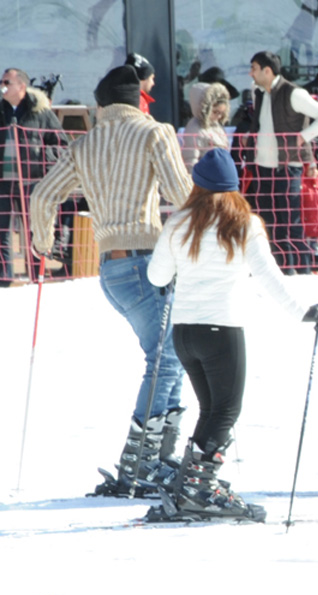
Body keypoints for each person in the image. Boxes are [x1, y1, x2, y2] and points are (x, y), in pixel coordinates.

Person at [30, 64, 193, 497]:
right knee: (166, 358)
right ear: (138, 99)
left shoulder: (85, 145)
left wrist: (43, 243)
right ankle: (141, 463)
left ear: (102, 105)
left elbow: (42, 195)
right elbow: (183, 196)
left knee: (170, 354)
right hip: (147, 262)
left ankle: (156, 457)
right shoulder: (155, 133)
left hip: (111, 269)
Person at [145, 148, 318, 521]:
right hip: (222, 330)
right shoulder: (244, 223)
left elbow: (156, 277)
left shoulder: (179, 222)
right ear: (234, 186)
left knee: (212, 410)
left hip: (185, 333)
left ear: (196, 184)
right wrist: (303, 312)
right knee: (225, 411)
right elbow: (268, 277)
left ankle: (192, 485)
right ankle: (198, 490)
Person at [247, 50, 318, 273]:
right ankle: (281, 272)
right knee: (269, 224)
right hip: (262, 167)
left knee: (291, 223)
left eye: (254, 68)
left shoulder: (293, 93)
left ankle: (302, 271)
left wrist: (303, 136)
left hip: (287, 167)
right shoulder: (258, 92)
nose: (251, 73)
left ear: (267, 71)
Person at [0, 68, 65, 286]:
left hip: (32, 182)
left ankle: (36, 276)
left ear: (21, 86)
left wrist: (44, 159)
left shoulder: (41, 112)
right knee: (2, 232)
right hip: (3, 183)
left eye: (7, 81)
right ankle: (4, 280)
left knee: (33, 230)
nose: (3, 85)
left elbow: (60, 143)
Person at [180, 82, 231, 171]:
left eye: (221, 113)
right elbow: (190, 160)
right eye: (215, 112)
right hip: (205, 179)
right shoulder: (194, 128)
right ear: (205, 108)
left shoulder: (217, 126)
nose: (218, 117)